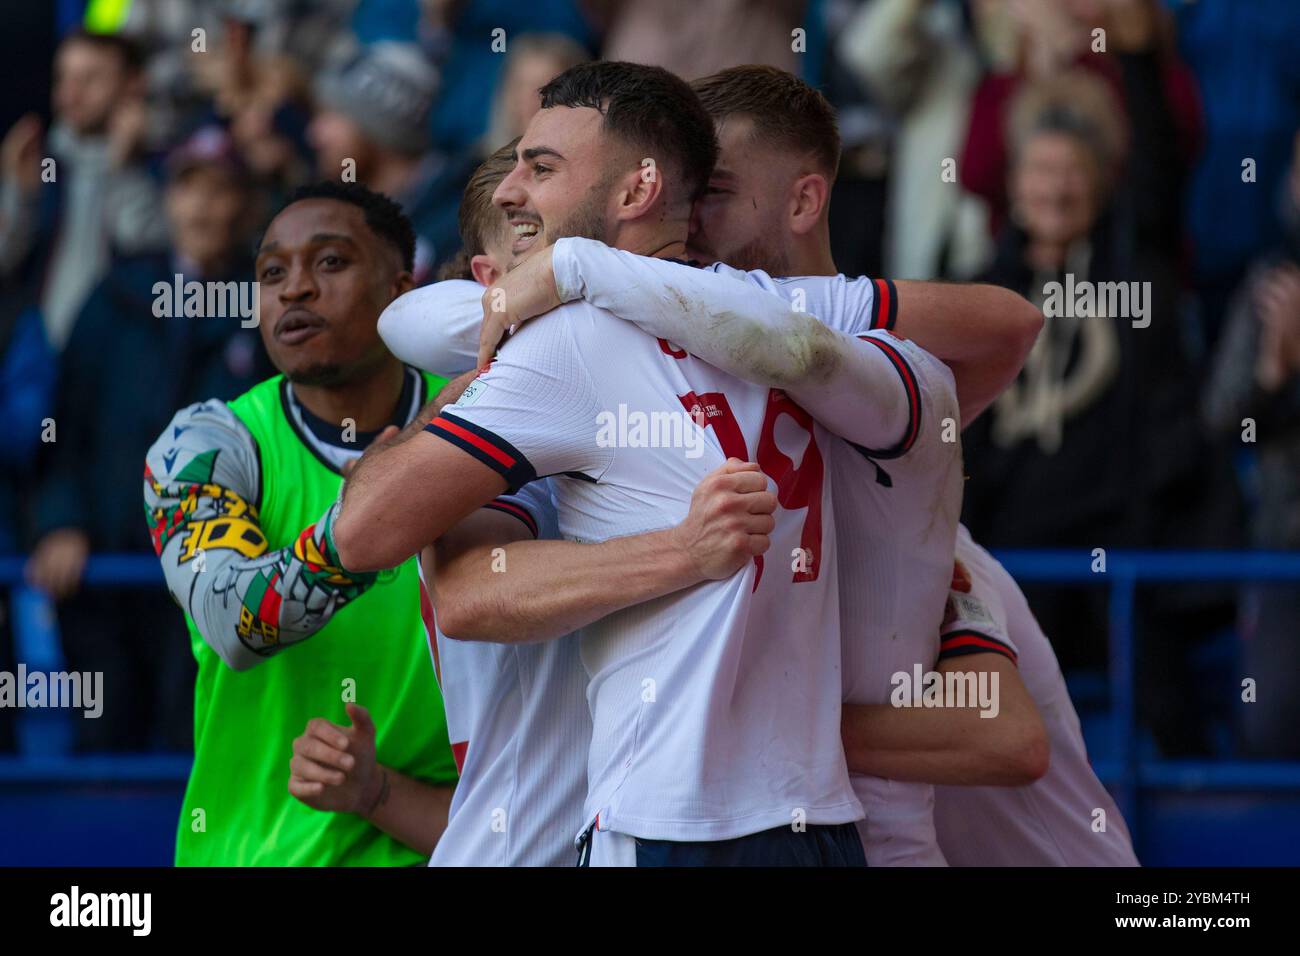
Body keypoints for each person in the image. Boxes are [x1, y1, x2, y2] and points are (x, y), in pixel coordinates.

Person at [333, 61, 938, 867]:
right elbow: (993, 331)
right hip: (820, 824)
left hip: (666, 826)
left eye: (541, 167)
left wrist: (545, 300)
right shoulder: (834, 335)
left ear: (637, 189)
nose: (512, 189)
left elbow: (362, 533)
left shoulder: (569, 341)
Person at [143, 182, 458, 864]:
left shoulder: (482, 421)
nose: (295, 290)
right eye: (271, 274)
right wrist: (366, 522)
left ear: (403, 290)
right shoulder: (207, 442)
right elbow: (232, 622)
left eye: (331, 263)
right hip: (254, 854)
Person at [26, 126, 270, 752]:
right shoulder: (115, 297)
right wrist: (61, 523)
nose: (203, 207)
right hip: (105, 573)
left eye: (221, 191)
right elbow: (61, 428)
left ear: (245, 205)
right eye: (189, 187)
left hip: (216, 577)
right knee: (104, 745)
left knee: (199, 747)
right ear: (167, 200)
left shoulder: (271, 308)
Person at [1204, 130, 1300, 759]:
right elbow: (1220, 422)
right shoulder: (1272, 286)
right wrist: (1274, 371)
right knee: (1268, 730)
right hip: (1281, 551)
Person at [0, 29, 168, 353]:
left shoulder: (164, 165)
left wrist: (127, 170)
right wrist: (21, 196)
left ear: (133, 83)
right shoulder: (42, 161)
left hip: (118, 355)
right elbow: (5, 260)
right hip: (37, 359)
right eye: (64, 78)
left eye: (90, 79)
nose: (70, 94)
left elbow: (144, 250)